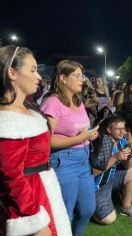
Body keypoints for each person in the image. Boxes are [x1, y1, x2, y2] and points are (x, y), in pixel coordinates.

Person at [0, 45, 71, 235]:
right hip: (30, 201)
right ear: (12, 73)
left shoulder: (29, 110)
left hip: (43, 189)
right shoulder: (7, 119)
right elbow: (11, 176)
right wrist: (34, 221)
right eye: (32, 70)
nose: (39, 76)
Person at [41, 60, 99, 236]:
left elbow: (79, 127)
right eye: (77, 75)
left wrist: (89, 133)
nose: (82, 79)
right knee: (64, 213)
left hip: (83, 160)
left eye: (82, 75)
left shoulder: (78, 101)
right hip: (63, 161)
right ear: (63, 78)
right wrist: (83, 137)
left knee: (88, 209)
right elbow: (47, 141)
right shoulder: (52, 102)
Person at [90, 115, 132, 223]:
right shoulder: (101, 142)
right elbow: (93, 173)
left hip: (111, 179)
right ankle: (90, 207)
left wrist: (129, 158)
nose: (123, 132)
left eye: (124, 129)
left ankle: (126, 207)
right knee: (108, 219)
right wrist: (115, 157)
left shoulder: (122, 142)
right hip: (98, 185)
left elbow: (129, 167)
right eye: (119, 129)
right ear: (109, 130)